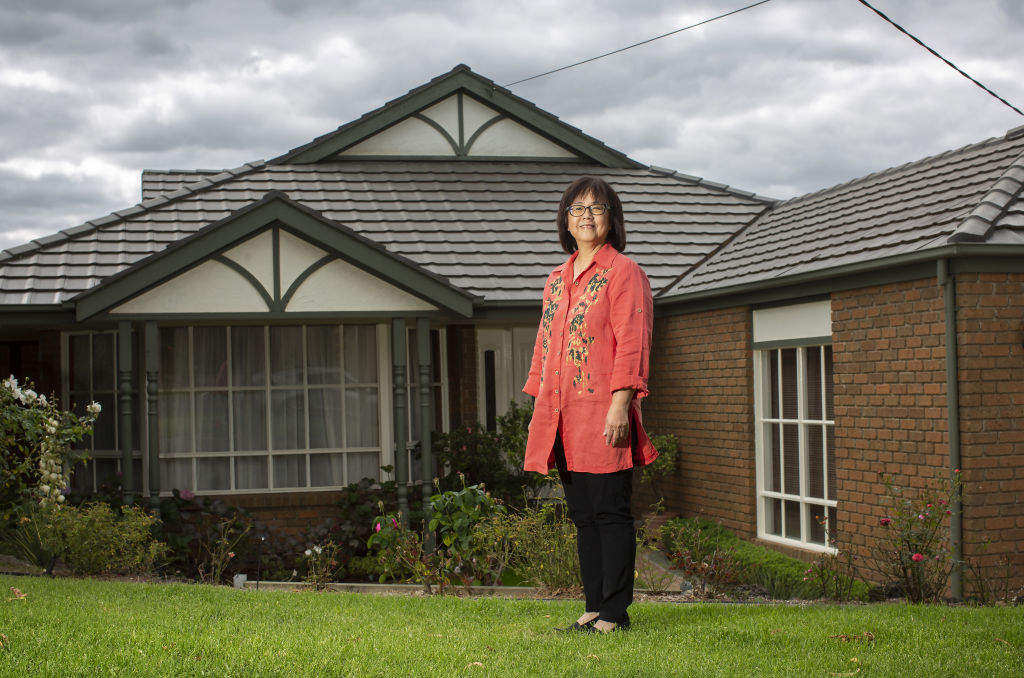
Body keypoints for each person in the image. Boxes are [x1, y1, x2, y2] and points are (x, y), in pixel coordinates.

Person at [522, 176, 659, 634]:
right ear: (566, 220)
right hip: (563, 415)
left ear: (611, 219)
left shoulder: (624, 272)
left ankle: (616, 613)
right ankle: (593, 605)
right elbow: (545, 346)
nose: (586, 216)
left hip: (603, 412)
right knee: (583, 517)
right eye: (577, 208)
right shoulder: (556, 279)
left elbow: (632, 344)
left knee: (609, 512)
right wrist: (541, 409)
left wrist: (621, 405)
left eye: (596, 208)